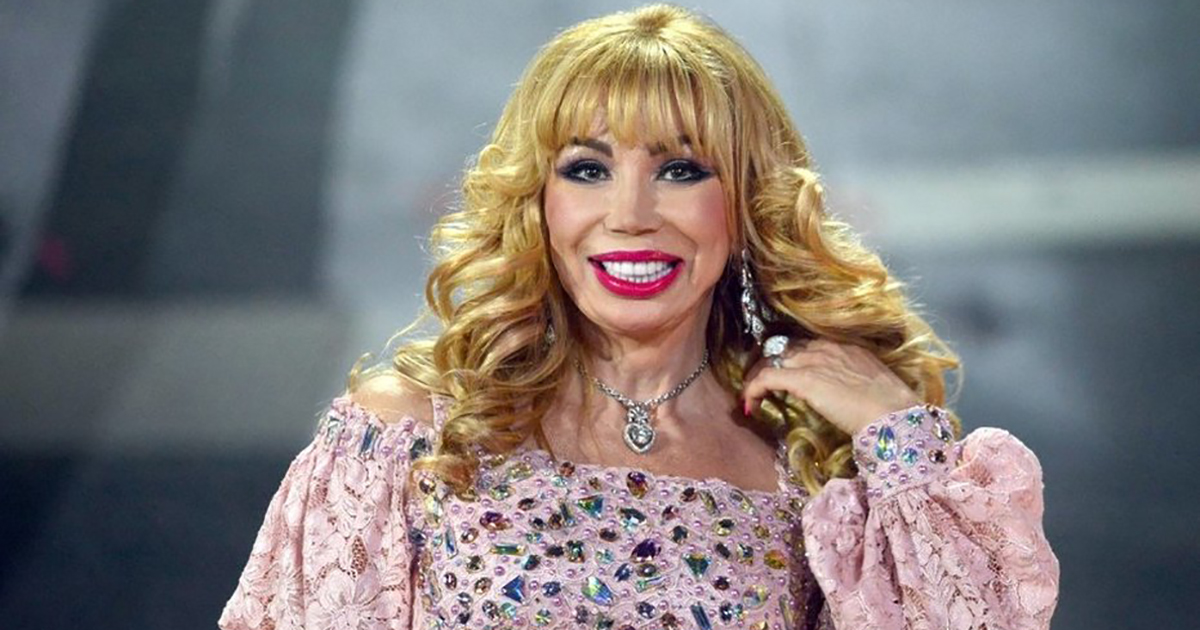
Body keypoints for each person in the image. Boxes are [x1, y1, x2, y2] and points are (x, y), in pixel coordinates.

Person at [219, 5, 1059, 629]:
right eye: (586, 170)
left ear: (747, 203)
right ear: (537, 202)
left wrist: (895, 434)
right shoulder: (408, 436)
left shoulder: (813, 462)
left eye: (681, 170)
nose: (629, 215)